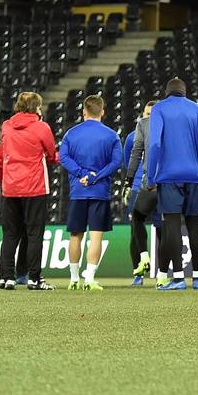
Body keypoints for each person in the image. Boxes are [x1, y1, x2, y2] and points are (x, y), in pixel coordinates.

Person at [146, 77, 198, 291]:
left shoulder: (159, 109)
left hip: (168, 176)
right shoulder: (197, 109)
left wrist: (151, 176)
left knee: (172, 224)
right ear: (184, 92)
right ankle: (197, 277)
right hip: (193, 176)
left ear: (166, 92)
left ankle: (178, 278)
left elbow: (155, 143)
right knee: (194, 224)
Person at [0, 91, 58, 291]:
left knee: (10, 234)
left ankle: (6, 277)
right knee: (34, 233)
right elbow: (51, 153)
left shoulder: (6, 126)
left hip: (11, 186)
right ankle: (34, 278)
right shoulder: (41, 127)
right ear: (35, 107)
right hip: (35, 186)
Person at [59, 95, 122, 291]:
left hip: (78, 190)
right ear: (102, 111)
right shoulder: (111, 135)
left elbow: (63, 157)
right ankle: (90, 279)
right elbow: (116, 162)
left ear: (84, 112)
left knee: (75, 235)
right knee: (96, 236)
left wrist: (81, 173)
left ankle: (74, 279)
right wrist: (95, 176)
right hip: (99, 191)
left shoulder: (71, 134)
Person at [124, 99, 158, 285]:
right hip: (139, 187)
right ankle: (138, 273)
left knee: (161, 228)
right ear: (142, 114)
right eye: (147, 114)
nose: (149, 118)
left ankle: (162, 273)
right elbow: (128, 158)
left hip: (156, 185)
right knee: (135, 231)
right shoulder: (132, 136)